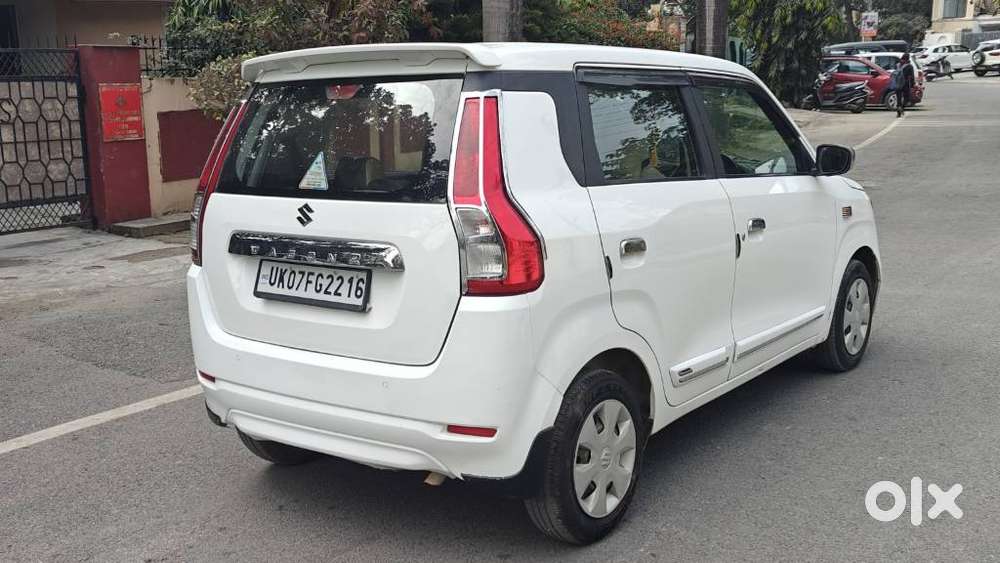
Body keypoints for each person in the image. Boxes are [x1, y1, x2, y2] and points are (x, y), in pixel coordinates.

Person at [896, 53, 916, 118]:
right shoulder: (909, 66)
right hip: (905, 84)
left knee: (898, 98)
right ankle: (902, 107)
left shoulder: (898, 65)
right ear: (908, 58)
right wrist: (912, 85)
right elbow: (912, 77)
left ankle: (898, 111)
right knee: (906, 98)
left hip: (897, 83)